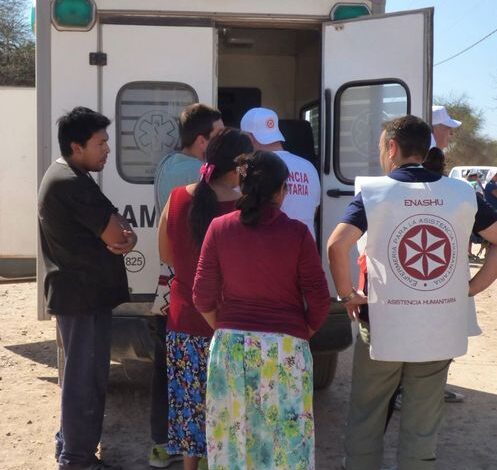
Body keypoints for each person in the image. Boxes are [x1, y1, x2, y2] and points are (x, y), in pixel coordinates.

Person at [327, 115, 497, 470]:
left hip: (382, 325)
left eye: (380, 148)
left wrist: (346, 295)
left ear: (392, 147)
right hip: (439, 326)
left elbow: (336, 245)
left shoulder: (374, 194)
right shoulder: (463, 193)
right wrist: (474, 287)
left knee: (367, 413)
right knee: (423, 420)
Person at [193, 151, 331, 470]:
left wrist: (225, 327)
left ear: (242, 187)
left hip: (229, 350)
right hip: (285, 351)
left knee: (232, 444)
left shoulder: (219, 228)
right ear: (282, 191)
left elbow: (202, 296)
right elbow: (320, 300)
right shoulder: (297, 234)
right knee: (285, 446)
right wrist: (299, 333)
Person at [38, 107, 137, 470]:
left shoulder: (70, 175)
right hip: (81, 298)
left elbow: (120, 225)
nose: (107, 149)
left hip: (80, 296)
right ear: (77, 146)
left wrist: (123, 233)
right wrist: (122, 235)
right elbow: (117, 233)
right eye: (101, 143)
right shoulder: (71, 183)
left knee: (79, 375)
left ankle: (69, 446)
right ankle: (77, 459)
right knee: (85, 379)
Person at [158, 128, 253, 470]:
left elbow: (166, 254)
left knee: (189, 404)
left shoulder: (177, 197)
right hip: (228, 321)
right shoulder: (243, 206)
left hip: (183, 317)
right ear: (240, 166)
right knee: (228, 407)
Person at [149, 103, 223, 468]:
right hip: (209, 306)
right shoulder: (211, 184)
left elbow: (166, 249)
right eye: (219, 135)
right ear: (201, 141)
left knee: (176, 384)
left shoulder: (165, 167)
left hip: (176, 295)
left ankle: (163, 445)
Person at [240, 107, 321, 239]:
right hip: (306, 250)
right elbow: (314, 210)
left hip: (270, 250)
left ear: (249, 138)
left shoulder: (251, 168)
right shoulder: (309, 167)